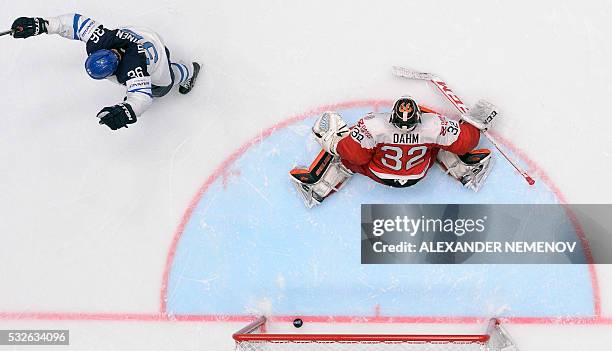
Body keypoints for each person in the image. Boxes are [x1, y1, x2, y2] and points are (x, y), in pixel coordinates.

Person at [290, 96, 498, 208]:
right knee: (439, 144)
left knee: (346, 155)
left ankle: (316, 187)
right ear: (418, 117)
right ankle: (466, 171)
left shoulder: (373, 124)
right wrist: (476, 121)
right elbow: (464, 142)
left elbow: (355, 156)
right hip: (417, 175)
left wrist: (335, 142)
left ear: (391, 116)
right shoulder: (434, 124)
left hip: (381, 174)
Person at [10, 14, 202, 130]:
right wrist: (42, 24)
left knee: (162, 87)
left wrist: (126, 111)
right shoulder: (101, 40)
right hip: (143, 35)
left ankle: (189, 70)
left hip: (155, 57)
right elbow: (74, 23)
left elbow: (142, 97)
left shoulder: (134, 69)